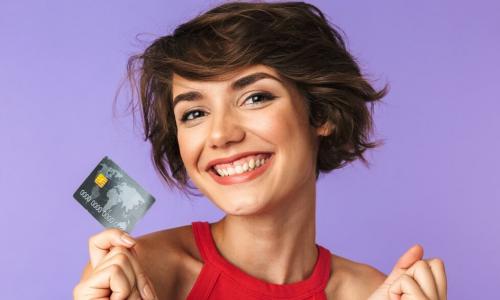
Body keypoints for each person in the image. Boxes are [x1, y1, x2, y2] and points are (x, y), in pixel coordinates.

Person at [73, 1, 447, 299]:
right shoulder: (140, 274)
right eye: (195, 112)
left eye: (255, 97)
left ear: (321, 113)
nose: (220, 134)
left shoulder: (372, 294)